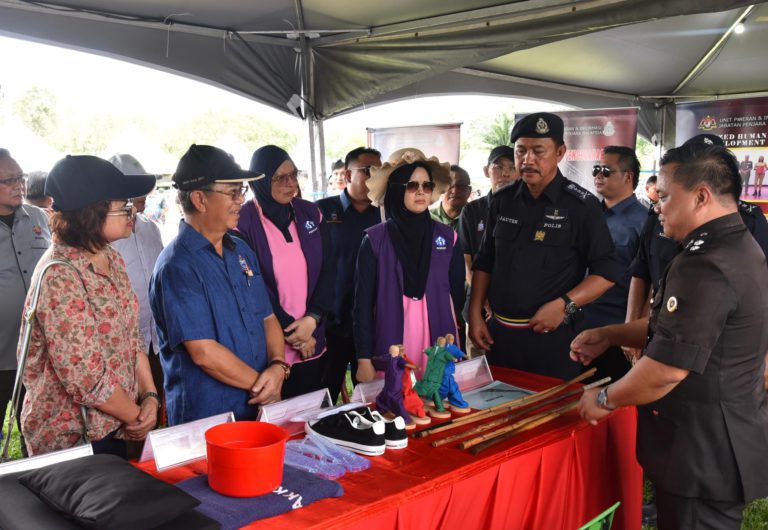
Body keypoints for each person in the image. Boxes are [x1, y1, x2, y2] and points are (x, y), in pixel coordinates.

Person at [572, 143, 768, 530]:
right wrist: (612, 334)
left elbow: (667, 369)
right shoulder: (734, 244)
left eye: (664, 196)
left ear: (700, 196)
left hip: (702, 452)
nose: (657, 206)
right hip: (711, 444)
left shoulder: (708, 264)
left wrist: (605, 398)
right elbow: (681, 330)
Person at [20, 155, 157, 457]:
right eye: (123, 206)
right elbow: (87, 379)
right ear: (92, 212)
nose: (131, 212)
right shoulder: (60, 274)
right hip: (76, 440)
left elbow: (132, 339)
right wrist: (136, 415)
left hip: (119, 423)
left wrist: (149, 397)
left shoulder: (113, 258)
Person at [469, 113, 620, 380]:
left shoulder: (581, 206)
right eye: (521, 151)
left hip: (553, 339)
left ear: (560, 152)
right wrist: (475, 313)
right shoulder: (502, 200)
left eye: (538, 151)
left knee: (548, 415)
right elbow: (485, 259)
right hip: (499, 337)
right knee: (499, 413)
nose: (528, 160)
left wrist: (565, 306)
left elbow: (607, 273)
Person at [151, 145, 286, 426]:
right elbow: (204, 352)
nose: (240, 200)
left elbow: (268, 317)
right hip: (208, 417)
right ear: (200, 199)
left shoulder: (241, 250)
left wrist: (277, 366)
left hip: (257, 407)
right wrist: (265, 385)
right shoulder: (177, 266)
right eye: (233, 192)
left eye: (242, 191)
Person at [627, 135, 768, 330]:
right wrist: (627, 330)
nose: (660, 207)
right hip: (659, 327)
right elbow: (642, 273)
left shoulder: (748, 222)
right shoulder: (659, 217)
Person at [354, 148, 465, 381]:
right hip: (393, 337)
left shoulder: (448, 237)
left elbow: (457, 295)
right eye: (412, 185)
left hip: (438, 336)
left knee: (440, 402)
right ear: (396, 189)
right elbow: (362, 305)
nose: (421, 192)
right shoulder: (374, 240)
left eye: (427, 185)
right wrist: (363, 358)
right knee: (397, 405)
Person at [236, 145, 335, 399]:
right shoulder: (242, 222)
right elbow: (252, 286)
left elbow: (328, 269)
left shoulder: (310, 212)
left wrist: (312, 319)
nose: (290, 184)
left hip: (312, 336)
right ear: (261, 180)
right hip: (272, 348)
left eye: (293, 175)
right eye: (280, 178)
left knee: (312, 417)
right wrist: (295, 332)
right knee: (279, 423)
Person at [315, 147, 382, 403]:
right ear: (347, 173)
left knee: (371, 398)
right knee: (323, 395)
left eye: (379, 170)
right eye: (367, 170)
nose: (374, 176)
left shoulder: (386, 215)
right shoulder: (321, 212)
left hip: (371, 325)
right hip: (330, 324)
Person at [581, 146, 647, 382]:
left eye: (606, 171)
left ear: (628, 176)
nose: (598, 175)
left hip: (616, 333)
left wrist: (634, 334)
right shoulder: (587, 214)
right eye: (596, 169)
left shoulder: (644, 223)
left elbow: (649, 282)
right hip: (577, 326)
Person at [0, 150, 50, 455]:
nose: (19, 185)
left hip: (36, 353)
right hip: (0, 352)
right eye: (9, 180)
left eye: (21, 177)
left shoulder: (39, 217)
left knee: (39, 430)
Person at [109, 154, 165, 422]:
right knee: (132, 418)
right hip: (122, 345)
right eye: (135, 192)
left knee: (158, 404)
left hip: (156, 338)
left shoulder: (151, 228)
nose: (143, 197)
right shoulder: (106, 234)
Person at [429, 164, 472, 230]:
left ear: (469, 191)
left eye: (461, 185)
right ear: (440, 190)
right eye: (449, 185)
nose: (455, 191)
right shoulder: (427, 218)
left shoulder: (477, 218)